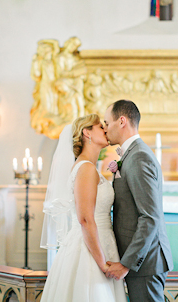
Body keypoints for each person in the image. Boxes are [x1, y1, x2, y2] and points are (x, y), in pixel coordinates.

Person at [40, 114, 126, 302]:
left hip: (101, 242)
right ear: (87, 133)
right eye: (99, 126)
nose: (105, 129)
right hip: (91, 250)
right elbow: (85, 219)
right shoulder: (86, 168)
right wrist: (102, 264)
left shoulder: (89, 167)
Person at [104, 100, 174, 302]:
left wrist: (126, 263)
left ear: (122, 121)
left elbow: (150, 216)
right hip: (142, 262)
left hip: (145, 263)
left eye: (107, 123)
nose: (106, 129)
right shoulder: (132, 155)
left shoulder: (138, 157)